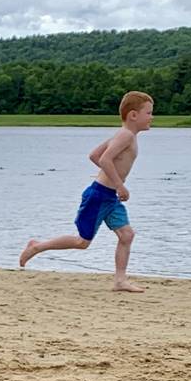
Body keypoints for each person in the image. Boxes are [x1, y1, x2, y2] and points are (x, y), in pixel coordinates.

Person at [18, 91, 154, 293]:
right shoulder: (125, 135)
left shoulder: (125, 135)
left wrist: (114, 183)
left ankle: (120, 280)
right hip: (99, 195)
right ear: (133, 115)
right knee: (82, 242)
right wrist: (119, 184)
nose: (152, 117)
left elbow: (94, 155)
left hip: (110, 198)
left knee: (127, 235)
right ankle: (37, 246)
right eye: (149, 113)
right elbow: (105, 159)